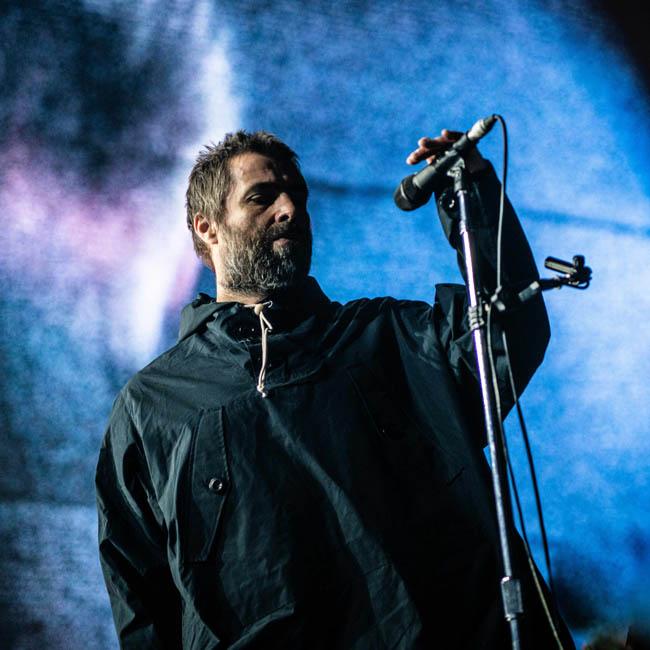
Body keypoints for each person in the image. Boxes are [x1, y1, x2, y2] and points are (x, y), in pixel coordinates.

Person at [96, 129, 575, 649]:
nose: (290, 210)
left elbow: (508, 333)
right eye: (261, 197)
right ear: (207, 228)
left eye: (297, 196)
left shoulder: (391, 339)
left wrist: (474, 192)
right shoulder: (151, 405)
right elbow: (141, 601)